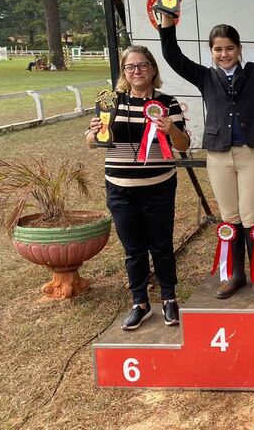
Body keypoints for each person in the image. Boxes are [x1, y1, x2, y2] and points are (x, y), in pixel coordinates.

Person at [159, 8, 254, 300]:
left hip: (252, 154)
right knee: (230, 216)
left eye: (229, 48)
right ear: (211, 52)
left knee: (251, 215)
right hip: (219, 156)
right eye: (218, 49)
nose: (224, 54)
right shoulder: (204, 76)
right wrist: (167, 19)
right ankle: (235, 275)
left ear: (239, 49)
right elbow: (172, 55)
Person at [85, 46, 190, 331]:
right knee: (133, 249)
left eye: (143, 65)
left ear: (153, 69)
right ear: (124, 72)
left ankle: (169, 298)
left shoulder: (168, 103)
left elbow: (183, 144)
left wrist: (171, 129)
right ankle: (140, 303)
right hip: (120, 188)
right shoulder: (111, 101)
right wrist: (93, 133)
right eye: (130, 67)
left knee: (162, 245)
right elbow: (92, 142)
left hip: (159, 186)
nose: (137, 71)